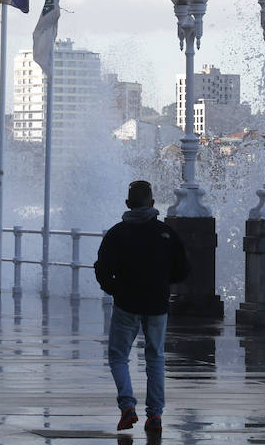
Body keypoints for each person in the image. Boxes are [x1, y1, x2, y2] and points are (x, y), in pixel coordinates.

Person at [94, 180, 189, 435]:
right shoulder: (166, 233)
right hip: (157, 305)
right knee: (155, 357)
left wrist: (114, 289)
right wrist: (162, 283)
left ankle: (127, 406)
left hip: (126, 304)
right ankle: (155, 415)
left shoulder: (117, 233)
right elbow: (182, 270)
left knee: (118, 356)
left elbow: (102, 268)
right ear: (153, 203)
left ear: (127, 204)